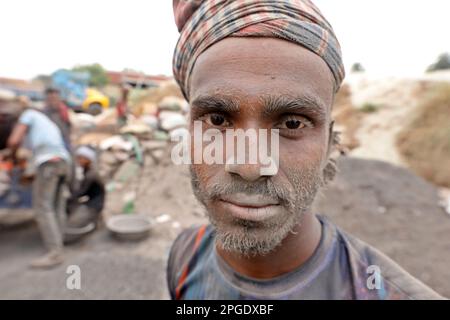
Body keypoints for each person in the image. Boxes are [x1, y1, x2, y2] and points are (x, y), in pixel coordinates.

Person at [166, 0, 443, 299]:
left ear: (330, 144)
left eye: (293, 123)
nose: (249, 167)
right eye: (218, 120)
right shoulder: (184, 256)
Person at [7, 98, 71, 269]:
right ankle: (60, 242)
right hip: (64, 162)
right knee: (56, 206)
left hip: (48, 163)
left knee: (43, 207)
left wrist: (11, 155)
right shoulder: (45, 120)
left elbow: (13, 141)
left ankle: (55, 253)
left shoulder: (27, 115)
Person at [66, 146, 105, 230]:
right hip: (92, 201)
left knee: (72, 224)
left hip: (94, 204)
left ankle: (94, 220)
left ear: (88, 159)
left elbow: (82, 191)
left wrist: (68, 198)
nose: (78, 160)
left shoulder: (90, 174)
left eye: (81, 158)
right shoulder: (86, 171)